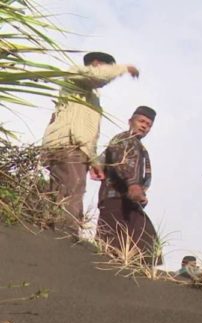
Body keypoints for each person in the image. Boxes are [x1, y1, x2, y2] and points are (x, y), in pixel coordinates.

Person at [42, 52, 140, 234]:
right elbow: (98, 77)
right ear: (96, 63)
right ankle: (65, 236)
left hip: (74, 147)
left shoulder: (89, 95)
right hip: (68, 145)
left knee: (62, 192)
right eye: (107, 67)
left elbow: (86, 133)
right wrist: (124, 68)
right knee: (72, 191)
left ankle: (52, 232)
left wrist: (93, 161)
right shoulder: (77, 73)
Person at [96, 106, 161, 265]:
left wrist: (141, 194)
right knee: (112, 243)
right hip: (114, 199)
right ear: (130, 121)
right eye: (142, 121)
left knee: (145, 240)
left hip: (130, 202)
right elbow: (123, 163)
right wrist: (133, 185)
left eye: (149, 124)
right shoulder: (124, 139)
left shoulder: (138, 146)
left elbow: (101, 161)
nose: (145, 126)